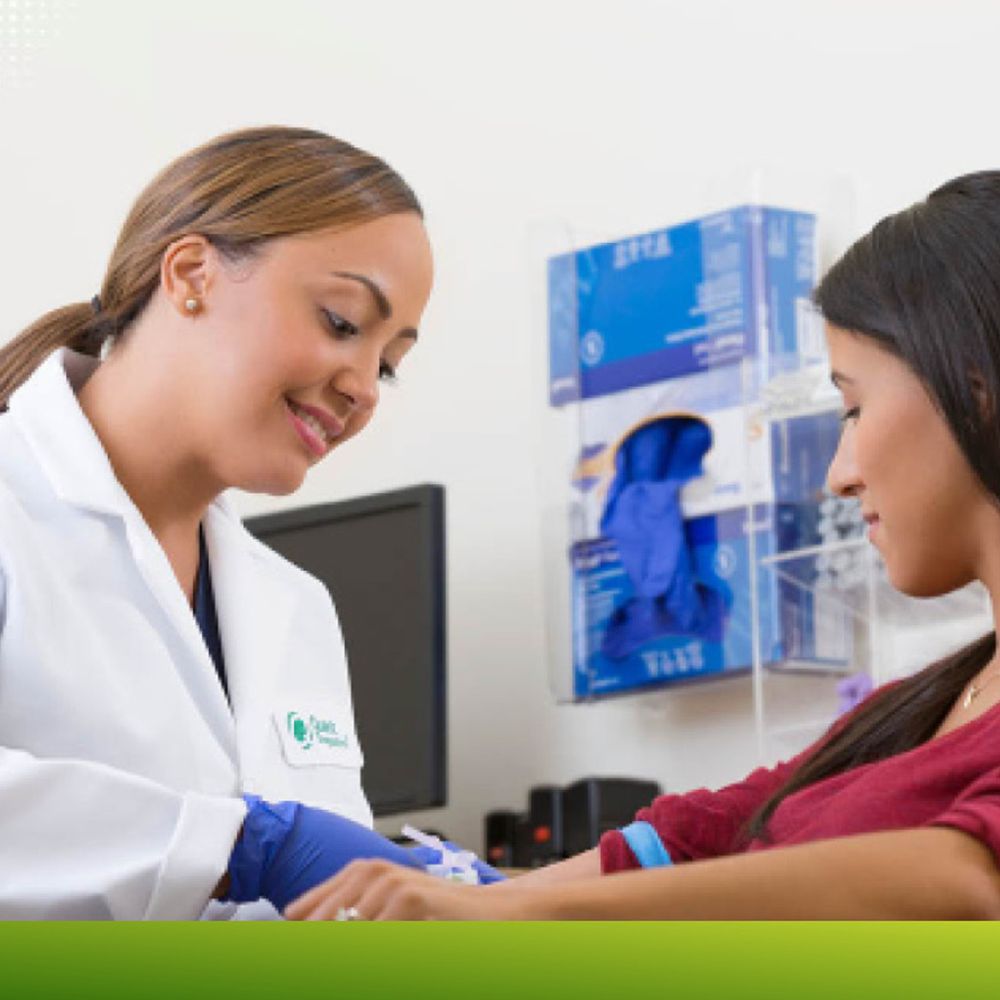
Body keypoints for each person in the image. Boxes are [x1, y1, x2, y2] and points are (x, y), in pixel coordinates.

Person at [286, 172, 1000, 920]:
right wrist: (461, 901)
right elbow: (707, 832)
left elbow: (970, 877)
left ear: (975, 390)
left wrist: (509, 917)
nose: (838, 475)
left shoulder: (953, 834)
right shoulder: (913, 712)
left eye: (853, 408)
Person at [0, 125, 448, 919]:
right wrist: (231, 848)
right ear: (191, 275)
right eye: (342, 322)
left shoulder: (297, 607)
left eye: (386, 365)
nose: (363, 389)